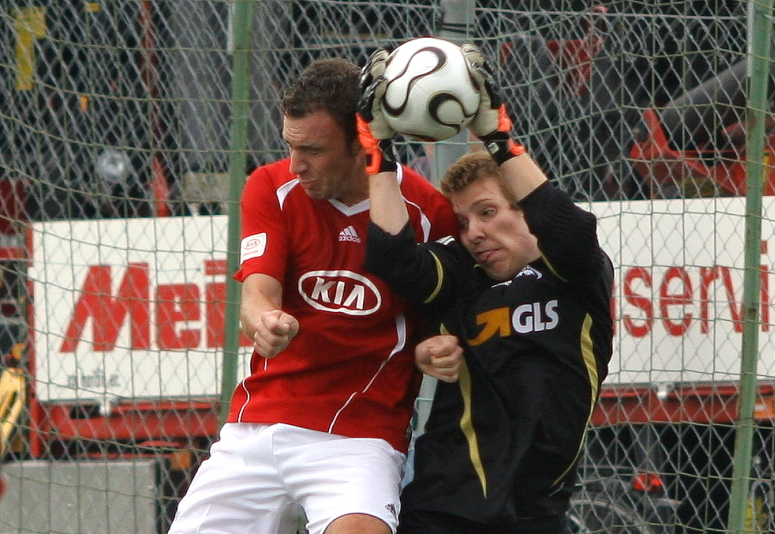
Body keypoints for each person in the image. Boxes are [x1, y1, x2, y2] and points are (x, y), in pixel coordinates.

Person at [168, 57, 458, 534]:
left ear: (361, 144)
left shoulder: (429, 212)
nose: (296, 164)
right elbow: (257, 293)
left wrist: (434, 346)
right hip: (257, 425)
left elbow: (442, 321)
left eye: (313, 150)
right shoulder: (269, 186)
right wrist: (265, 321)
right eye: (290, 146)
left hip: (359, 435)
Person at [359, 44, 614, 534]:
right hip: (446, 505)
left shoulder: (575, 274)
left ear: (525, 209)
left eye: (488, 212)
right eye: (463, 221)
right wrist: (378, 150)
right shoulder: (462, 274)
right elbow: (392, 258)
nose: (474, 232)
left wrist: (498, 137)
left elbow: (571, 228)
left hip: (538, 510)